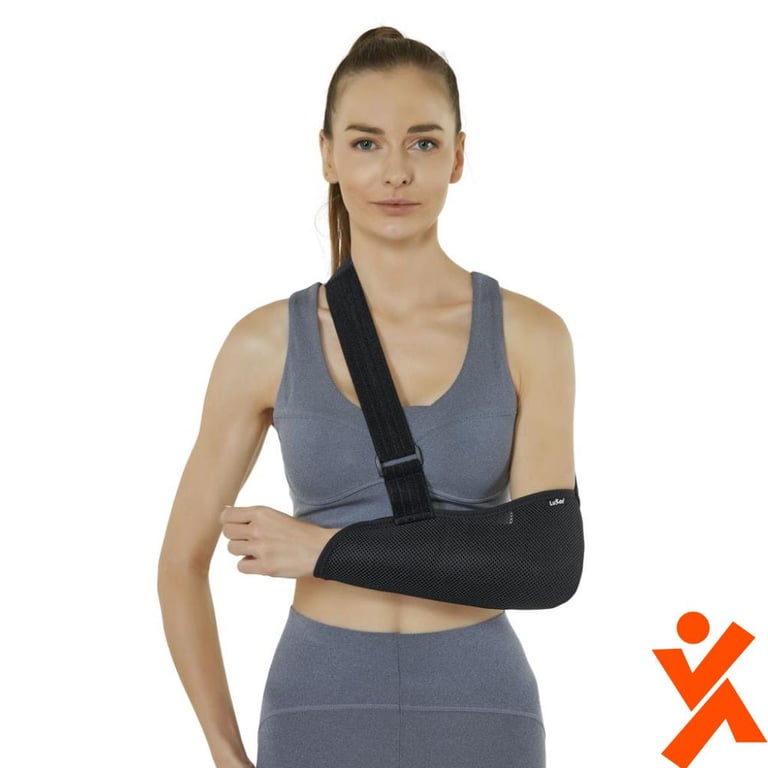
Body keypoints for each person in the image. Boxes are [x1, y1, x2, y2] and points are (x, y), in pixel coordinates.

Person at [158, 25, 577, 768]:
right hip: (318, 703)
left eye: (423, 143)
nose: (396, 172)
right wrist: (224, 753)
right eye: (365, 143)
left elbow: (546, 563)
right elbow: (179, 566)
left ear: (458, 157)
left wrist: (322, 549)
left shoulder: (529, 335)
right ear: (327, 156)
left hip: (481, 704)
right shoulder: (265, 344)